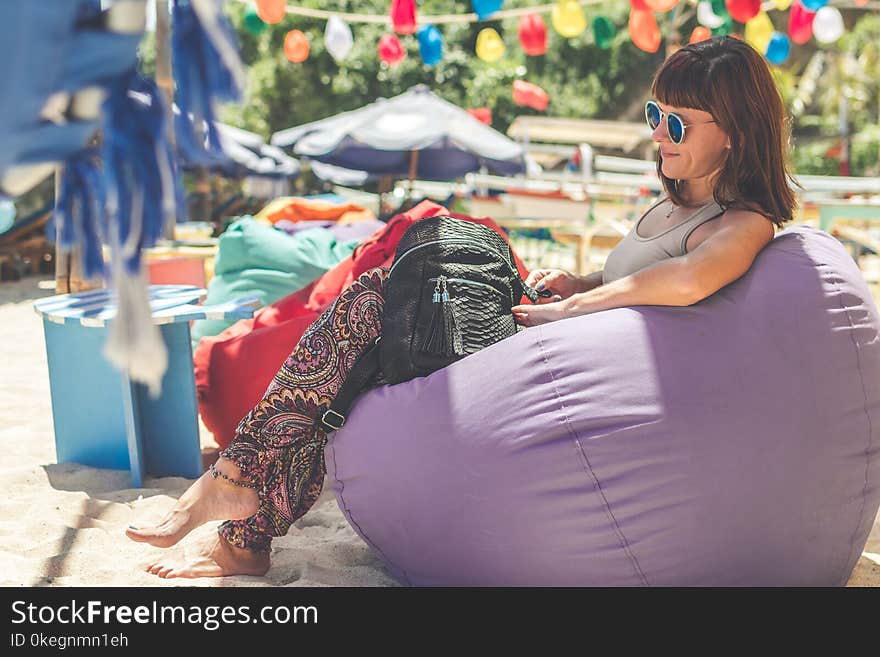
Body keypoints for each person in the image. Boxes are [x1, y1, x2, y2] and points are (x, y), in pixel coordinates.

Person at [126, 36, 796, 578]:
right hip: (542, 334)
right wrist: (579, 279)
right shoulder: (678, 201)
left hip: (545, 363)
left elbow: (685, 282)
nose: (658, 133)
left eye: (676, 121)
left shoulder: (743, 223)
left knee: (379, 297)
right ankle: (244, 527)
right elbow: (644, 272)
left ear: (735, 131)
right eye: (655, 114)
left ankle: (236, 482)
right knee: (372, 324)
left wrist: (573, 309)